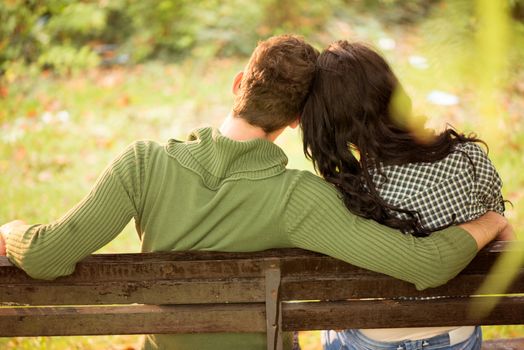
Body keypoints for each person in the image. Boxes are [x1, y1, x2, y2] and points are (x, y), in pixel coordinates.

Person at [0, 35, 508, 350]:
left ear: (238, 80)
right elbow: (425, 264)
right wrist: (491, 222)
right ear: (294, 120)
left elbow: (46, 256)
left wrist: (12, 232)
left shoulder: (142, 164)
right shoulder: (301, 199)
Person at [300, 40, 514, 350]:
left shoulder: (343, 196)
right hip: (457, 337)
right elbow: (501, 237)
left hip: (371, 341)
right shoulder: (468, 160)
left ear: (327, 120)